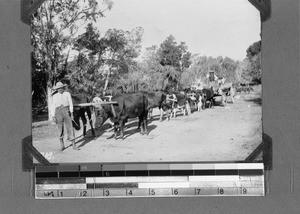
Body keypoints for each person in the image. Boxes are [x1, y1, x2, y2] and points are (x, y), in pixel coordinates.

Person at [51, 82, 78, 151]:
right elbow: (53, 106)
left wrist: (71, 113)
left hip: (66, 110)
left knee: (70, 127)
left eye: (61, 88)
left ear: (63, 88)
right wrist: (53, 116)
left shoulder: (67, 94)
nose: (60, 89)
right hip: (58, 112)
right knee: (60, 129)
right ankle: (62, 145)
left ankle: (74, 145)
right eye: (58, 88)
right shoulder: (55, 96)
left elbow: (71, 103)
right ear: (57, 89)